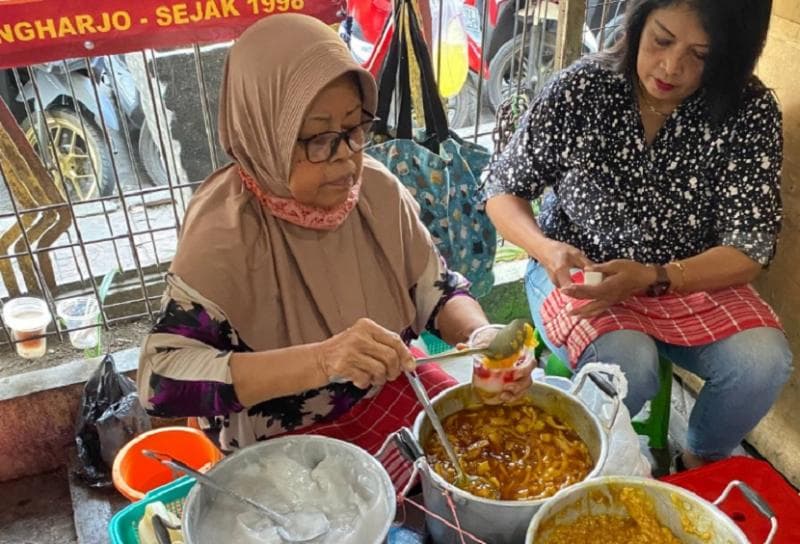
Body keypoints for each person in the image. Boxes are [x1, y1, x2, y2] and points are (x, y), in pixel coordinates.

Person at [136, 14, 493, 487]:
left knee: (482, 468)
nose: (347, 155)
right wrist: (324, 360)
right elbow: (161, 381)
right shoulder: (225, 230)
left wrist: (486, 337)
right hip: (284, 443)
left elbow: (438, 291)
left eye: (355, 128)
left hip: (395, 393)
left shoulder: (377, 192)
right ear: (266, 135)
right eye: (320, 139)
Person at [485, 0, 793, 470]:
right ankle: (577, 460)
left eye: (701, 55)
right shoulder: (583, 89)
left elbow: (748, 246)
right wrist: (548, 251)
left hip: (686, 278)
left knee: (762, 364)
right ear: (638, 22)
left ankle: (699, 462)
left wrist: (656, 276)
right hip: (579, 272)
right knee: (626, 366)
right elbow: (503, 189)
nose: (672, 66)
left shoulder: (747, 111)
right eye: (662, 40)